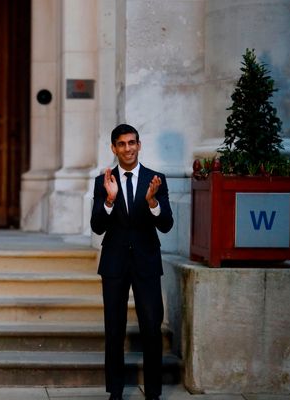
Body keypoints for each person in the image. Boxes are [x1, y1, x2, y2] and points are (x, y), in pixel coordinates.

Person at [90, 124, 173, 400]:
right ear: (114, 148)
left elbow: (167, 225)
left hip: (147, 262)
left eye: (132, 143)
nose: (128, 148)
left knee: (151, 326)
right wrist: (110, 201)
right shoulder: (104, 180)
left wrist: (152, 203)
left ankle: (153, 392)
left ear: (139, 145)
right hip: (114, 263)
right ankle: (115, 391)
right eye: (122, 144)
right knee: (114, 328)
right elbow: (97, 227)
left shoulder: (156, 179)